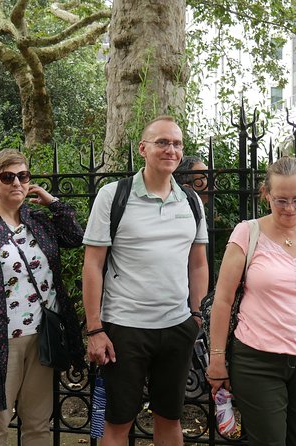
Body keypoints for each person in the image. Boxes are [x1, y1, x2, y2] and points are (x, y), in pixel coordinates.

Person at [82, 115, 209, 446]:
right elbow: (93, 265)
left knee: (170, 419)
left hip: (178, 327)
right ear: (143, 148)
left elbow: (198, 263)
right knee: (118, 422)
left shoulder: (191, 201)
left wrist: (196, 315)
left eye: (177, 143)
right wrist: (95, 329)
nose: (171, 149)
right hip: (125, 328)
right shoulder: (114, 196)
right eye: (162, 142)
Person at [0, 149, 85, 445]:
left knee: (38, 423)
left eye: (23, 176)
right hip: (0, 340)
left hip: (43, 336)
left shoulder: (38, 222)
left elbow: (76, 238)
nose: (16, 183)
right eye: (7, 177)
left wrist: (54, 204)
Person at [206, 156, 296, 446]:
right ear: (266, 194)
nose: (290, 209)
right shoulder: (248, 232)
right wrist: (216, 359)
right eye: (281, 200)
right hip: (257, 360)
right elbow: (223, 300)